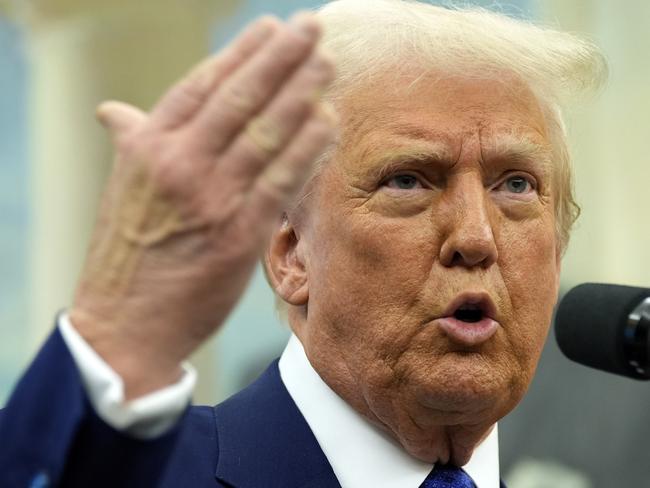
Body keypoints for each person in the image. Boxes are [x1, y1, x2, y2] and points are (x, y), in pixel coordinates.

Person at [0, 1, 606, 487]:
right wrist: (116, 334)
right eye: (408, 180)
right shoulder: (157, 473)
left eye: (517, 185)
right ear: (292, 255)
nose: (475, 237)